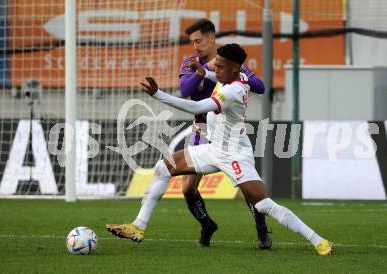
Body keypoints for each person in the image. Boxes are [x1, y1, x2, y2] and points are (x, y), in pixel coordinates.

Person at [106, 44, 333, 256]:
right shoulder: (234, 77)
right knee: (163, 167)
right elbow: (222, 77)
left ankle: (318, 240)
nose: (215, 68)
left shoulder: (233, 91)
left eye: (220, 66)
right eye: (216, 64)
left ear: (235, 67)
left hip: (235, 154)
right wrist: (205, 74)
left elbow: (196, 107)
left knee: (263, 204)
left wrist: (158, 95)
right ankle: (139, 226)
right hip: (213, 149)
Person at [178, 18, 270, 248]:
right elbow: (185, 91)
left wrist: (230, 73)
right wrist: (203, 72)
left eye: (198, 41)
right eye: (192, 42)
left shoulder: (229, 62)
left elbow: (259, 86)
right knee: (188, 188)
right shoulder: (190, 61)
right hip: (201, 130)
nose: (195, 46)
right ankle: (207, 225)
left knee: (248, 188)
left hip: (229, 134)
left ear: (211, 39)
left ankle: (261, 228)